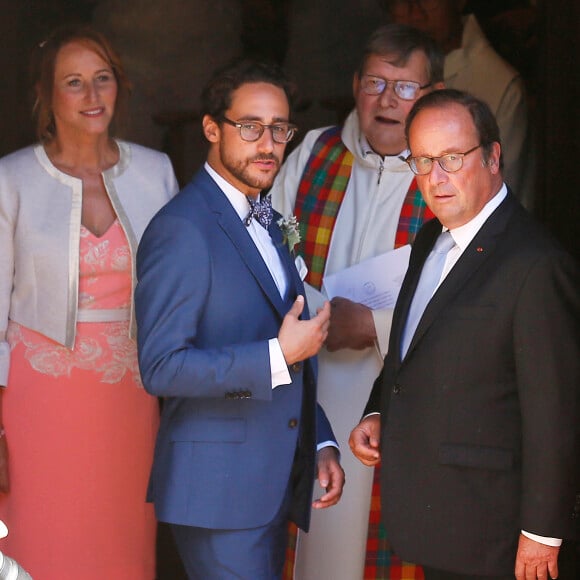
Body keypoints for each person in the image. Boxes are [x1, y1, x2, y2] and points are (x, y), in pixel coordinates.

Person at [349, 88, 580, 579]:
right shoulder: (431, 237)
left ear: (494, 157)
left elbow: (557, 412)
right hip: (440, 518)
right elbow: (412, 347)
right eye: (423, 160)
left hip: (494, 531)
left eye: (452, 158)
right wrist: (378, 409)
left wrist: (542, 532)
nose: (436, 178)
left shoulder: (536, 264)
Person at [134, 58, 345, 579]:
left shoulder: (270, 215)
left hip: (270, 482)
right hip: (217, 493)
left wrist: (317, 440)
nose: (268, 143)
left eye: (280, 128)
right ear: (212, 128)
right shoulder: (182, 229)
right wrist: (277, 356)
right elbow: (160, 367)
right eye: (250, 127)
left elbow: (289, 326)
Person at [0, 26, 179, 579]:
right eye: (73, 83)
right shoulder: (11, 180)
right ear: (46, 95)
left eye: (102, 79)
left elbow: (178, 290)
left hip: (129, 396)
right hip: (36, 399)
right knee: (42, 540)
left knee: (120, 543)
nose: (92, 95)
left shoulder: (157, 172)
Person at [269, 23, 444, 579]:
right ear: (354, 86)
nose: (388, 100)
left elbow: (471, 293)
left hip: (395, 398)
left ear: (432, 95)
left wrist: (375, 325)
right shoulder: (311, 154)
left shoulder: (444, 171)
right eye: (376, 82)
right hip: (311, 388)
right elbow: (265, 249)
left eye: (406, 87)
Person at [383, 0, 530, 206]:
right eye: (401, 2)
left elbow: (506, 201)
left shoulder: (501, 87)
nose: (415, 14)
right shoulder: (377, 86)